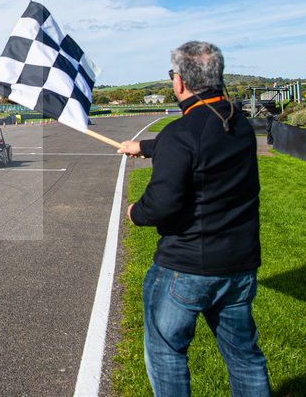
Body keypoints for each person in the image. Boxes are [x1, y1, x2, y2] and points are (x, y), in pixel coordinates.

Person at [117, 41, 270, 396]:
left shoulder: (180, 133)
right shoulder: (238, 123)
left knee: (167, 353)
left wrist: (135, 213)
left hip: (186, 267)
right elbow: (202, 142)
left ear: (181, 82)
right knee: (245, 357)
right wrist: (146, 147)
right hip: (239, 265)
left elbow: (160, 205)